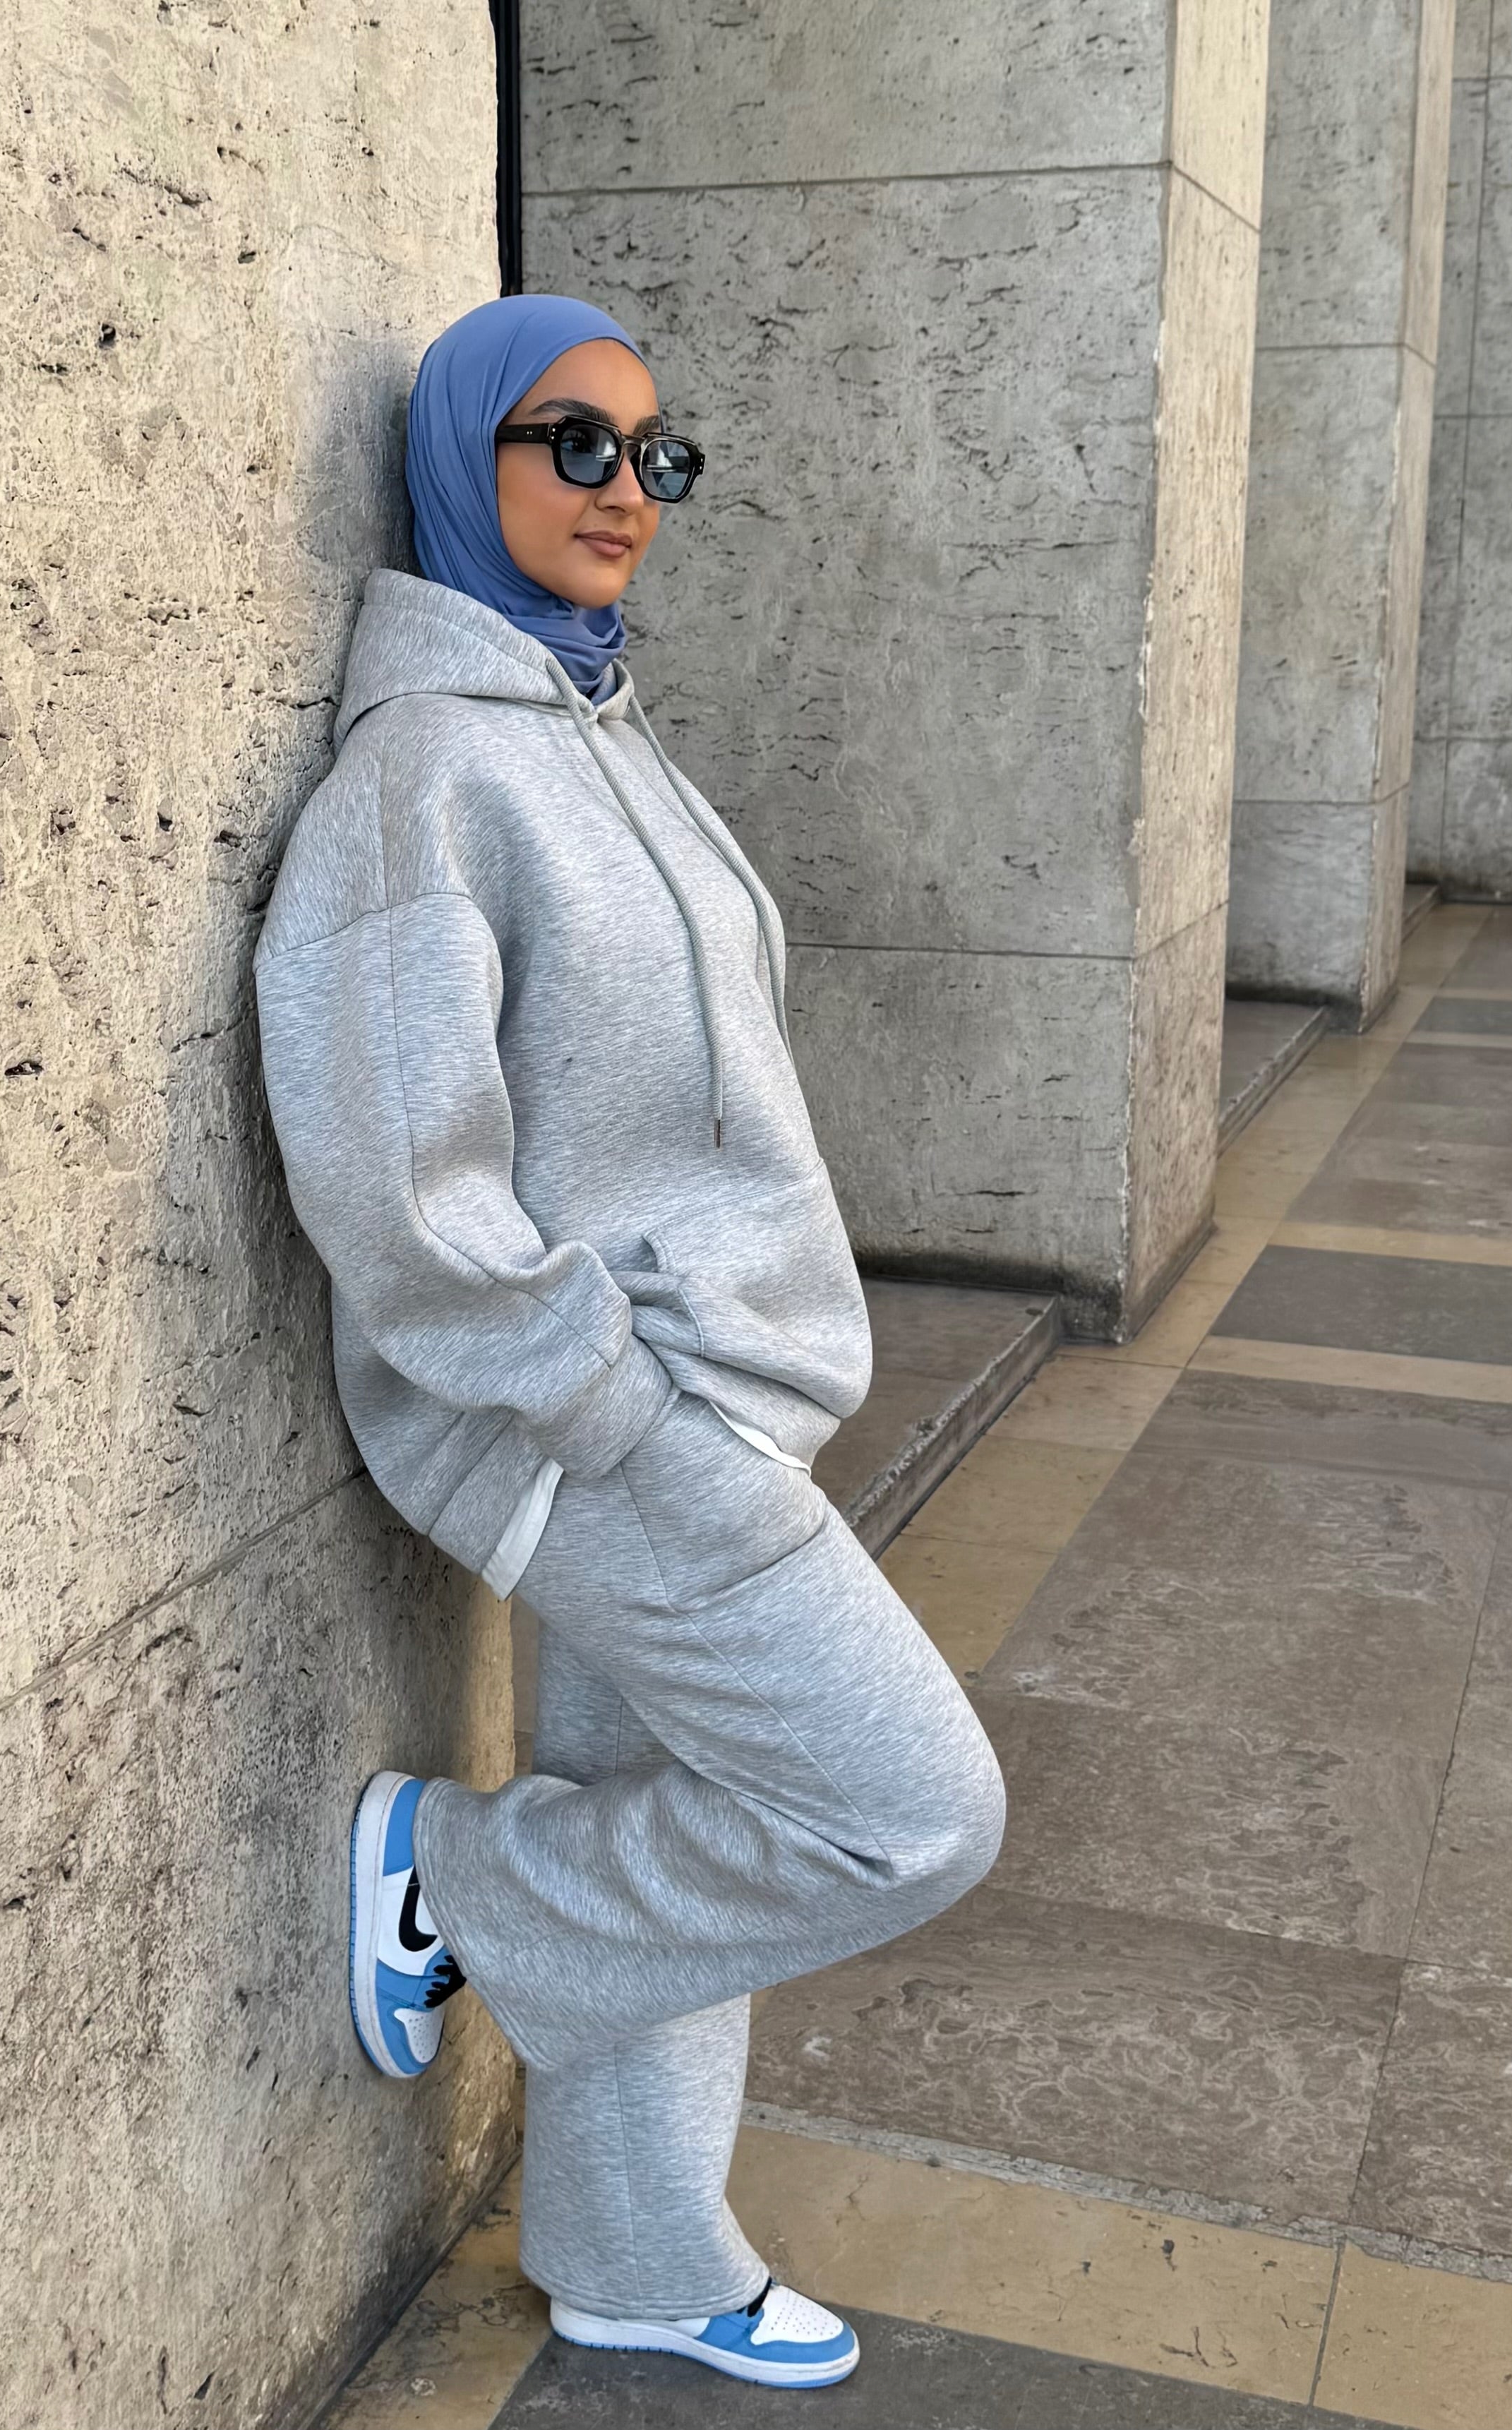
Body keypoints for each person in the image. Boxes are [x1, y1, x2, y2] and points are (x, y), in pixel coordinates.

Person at [254, 294, 1005, 2392]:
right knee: (909, 1809)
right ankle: (450, 1881)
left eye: (657, 455)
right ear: (462, 461)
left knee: (671, 1799)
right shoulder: (424, 778)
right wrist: (615, 1401)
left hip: (710, 1386)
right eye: (572, 443)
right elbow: (399, 1181)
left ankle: (637, 2254)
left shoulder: (599, 724)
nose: (624, 492)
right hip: (600, 1415)